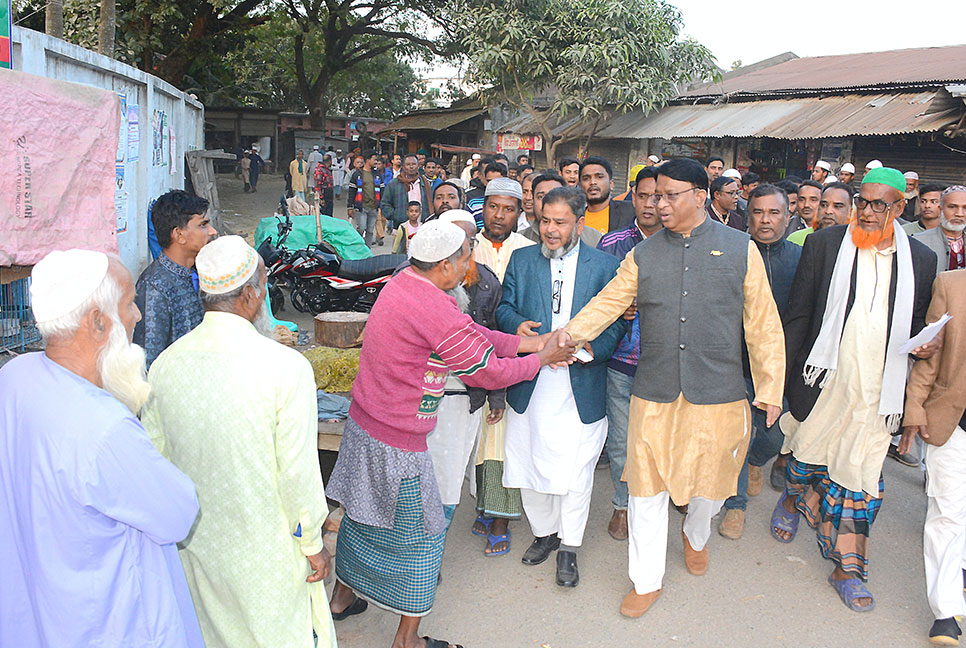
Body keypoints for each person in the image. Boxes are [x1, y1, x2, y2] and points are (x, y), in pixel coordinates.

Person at [325, 221, 575, 648]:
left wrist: (528, 344)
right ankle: (408, 640)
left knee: (362, 520)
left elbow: (470, 334)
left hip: (366, 427)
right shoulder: (434, 307)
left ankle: (341, 598)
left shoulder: (403, 282)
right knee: (422, 539)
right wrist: (543, 357)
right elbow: (488, 372)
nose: (468, 267)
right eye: (464, 260)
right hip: (400, 444)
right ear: (443, 265)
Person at [560, 157, 785, 617]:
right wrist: (568, 336)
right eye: (655, 195)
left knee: (711, 487)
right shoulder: (643, 253)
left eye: (670, 195)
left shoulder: (742, 249)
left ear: (700, 196)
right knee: (647, 487)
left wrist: (770, 387)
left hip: (718, 390)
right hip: (654, 389)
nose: (659, 204)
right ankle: (645, 580)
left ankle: (695, 534)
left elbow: (764, 324)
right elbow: (609, 302)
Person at [0, 249, 203, 648]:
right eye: (129, 304)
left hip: (36, 610)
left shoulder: (14, 377)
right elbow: (178, 513)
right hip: (105, 624)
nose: (137, 317)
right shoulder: (104, 429)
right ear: (97, 321)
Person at [142, 236, 336, 648]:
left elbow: (155, 462)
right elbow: (298, 473)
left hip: (198, 547)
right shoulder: (286, 368)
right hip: (268, 551)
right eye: (264, 285)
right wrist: (314, 544)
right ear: (250, 295)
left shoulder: (164, 365)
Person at [772, 167, 937, 613]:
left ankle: (848, 568)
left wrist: (926, 343)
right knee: (806, 458)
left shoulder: (921, 260)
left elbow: (917, 322)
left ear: (900, 208)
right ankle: (794, 498)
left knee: (862, 482)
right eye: (861, 202)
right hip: (823, 384)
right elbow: (800, 314)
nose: (865, 212)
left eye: (877, 204)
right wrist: (784, 384)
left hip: (877, 397)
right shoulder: (825, 246)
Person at [497, 186, 626, 588]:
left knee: (576, 470)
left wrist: (590, 350)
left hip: (580, 383)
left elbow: (619, 322)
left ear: (579, 223)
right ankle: (544, 534)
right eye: (544, 221)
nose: (550, 230)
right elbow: (504, 307)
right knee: (532, 462)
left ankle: (569, 546)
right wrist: (514, 326)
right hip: (532, 382)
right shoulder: (521, 259)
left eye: (560, 222)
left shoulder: (605, 265)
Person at [717, 184, 802, 540]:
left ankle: (756, 462)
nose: (765, 220)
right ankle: (735, 507)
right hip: (734, 361)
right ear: (747, 215)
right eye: (758, 212)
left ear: (787, 216)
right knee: (739, 435)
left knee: (773, 434)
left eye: (774, 213)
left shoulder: (801, 259)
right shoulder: (730, 252)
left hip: (780, 365)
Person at [424, 210, 507, 549]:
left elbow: (494, 342)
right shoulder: (415, 279)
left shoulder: (486, 281)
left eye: (465, 244)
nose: (457, 252)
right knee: (419, 477)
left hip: (463, 399)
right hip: (417, 397)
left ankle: (431, 552)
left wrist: (497, 395)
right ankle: (420, 549)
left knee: (447, 477)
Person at [596, 165, 663, 540]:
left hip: (665, 361)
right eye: (643, 196)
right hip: (621, 358)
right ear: (631, 197)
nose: (651, 204)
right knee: (621, 440)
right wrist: (618, 308)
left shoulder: (679, 243)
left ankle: (663, 499)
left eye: (659, 196)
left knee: (661, 440)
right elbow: (597, 297)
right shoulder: (612, 244)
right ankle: (622, 506)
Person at [471, 177, 538, 551]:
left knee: (506, 436)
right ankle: (483, 504)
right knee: (479, 435)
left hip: (513, 352)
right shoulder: (467, 246)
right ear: (483, 207)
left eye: (508, 208)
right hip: (469, 354)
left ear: (519, 212)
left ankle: (502, 516)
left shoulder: (528, 250)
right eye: (493, 207)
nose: (499, 215)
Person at [901, 268, 966, 646]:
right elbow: (930, 355)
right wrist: (915, 409)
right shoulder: (951, 285)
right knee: (946, 512)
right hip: (953, 422)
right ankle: (945, 612)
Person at [134, 189, 216, 369]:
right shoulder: (155, 286)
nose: (212, 231)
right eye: (203, 225)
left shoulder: (201, 272)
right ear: (179, 235)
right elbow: (149, 363)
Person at [914, 185, 966, 275]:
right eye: (952, 207)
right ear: (940, 209)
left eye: (965, 208)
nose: (959, 214)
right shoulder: (919, 242)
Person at [578, 155, 635, 235]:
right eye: (586, 178)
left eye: (599, 177)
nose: (592, 182)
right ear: (580, 186)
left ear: (611, 184)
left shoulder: (630, 212)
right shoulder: (574, 218)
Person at [382, 153, 433, 227]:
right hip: (401, 226)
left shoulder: (425, 183)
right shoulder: (394, 183)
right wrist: (396, 216)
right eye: (408, 164)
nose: (411, 167)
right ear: (403, 166)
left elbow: (431, 202)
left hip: (422, 226)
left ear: (418, 166)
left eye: (414, 164)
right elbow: (385, 203)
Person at [347, 150, 385, 246]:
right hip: (361, 207)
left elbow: (382, 191)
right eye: (374, 159)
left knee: (370, 230)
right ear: (368, 160)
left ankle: (367, 251)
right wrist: (350, 207)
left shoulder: (377, 175)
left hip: (373, 207)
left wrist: (382, 205)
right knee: (361, 228)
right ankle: (357, 247)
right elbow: (352, 191)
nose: (376, 162)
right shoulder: (357, 175)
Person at [467, 162, 508, 228]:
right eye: (489, 181)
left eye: (497, 181)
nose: (492, 185)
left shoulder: (512, 204)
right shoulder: (474, 204)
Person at [785, 180, 824, 245]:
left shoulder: (828, 227)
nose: (806, 205)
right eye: (802, 200)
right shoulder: (786, 227)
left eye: (813, 200)